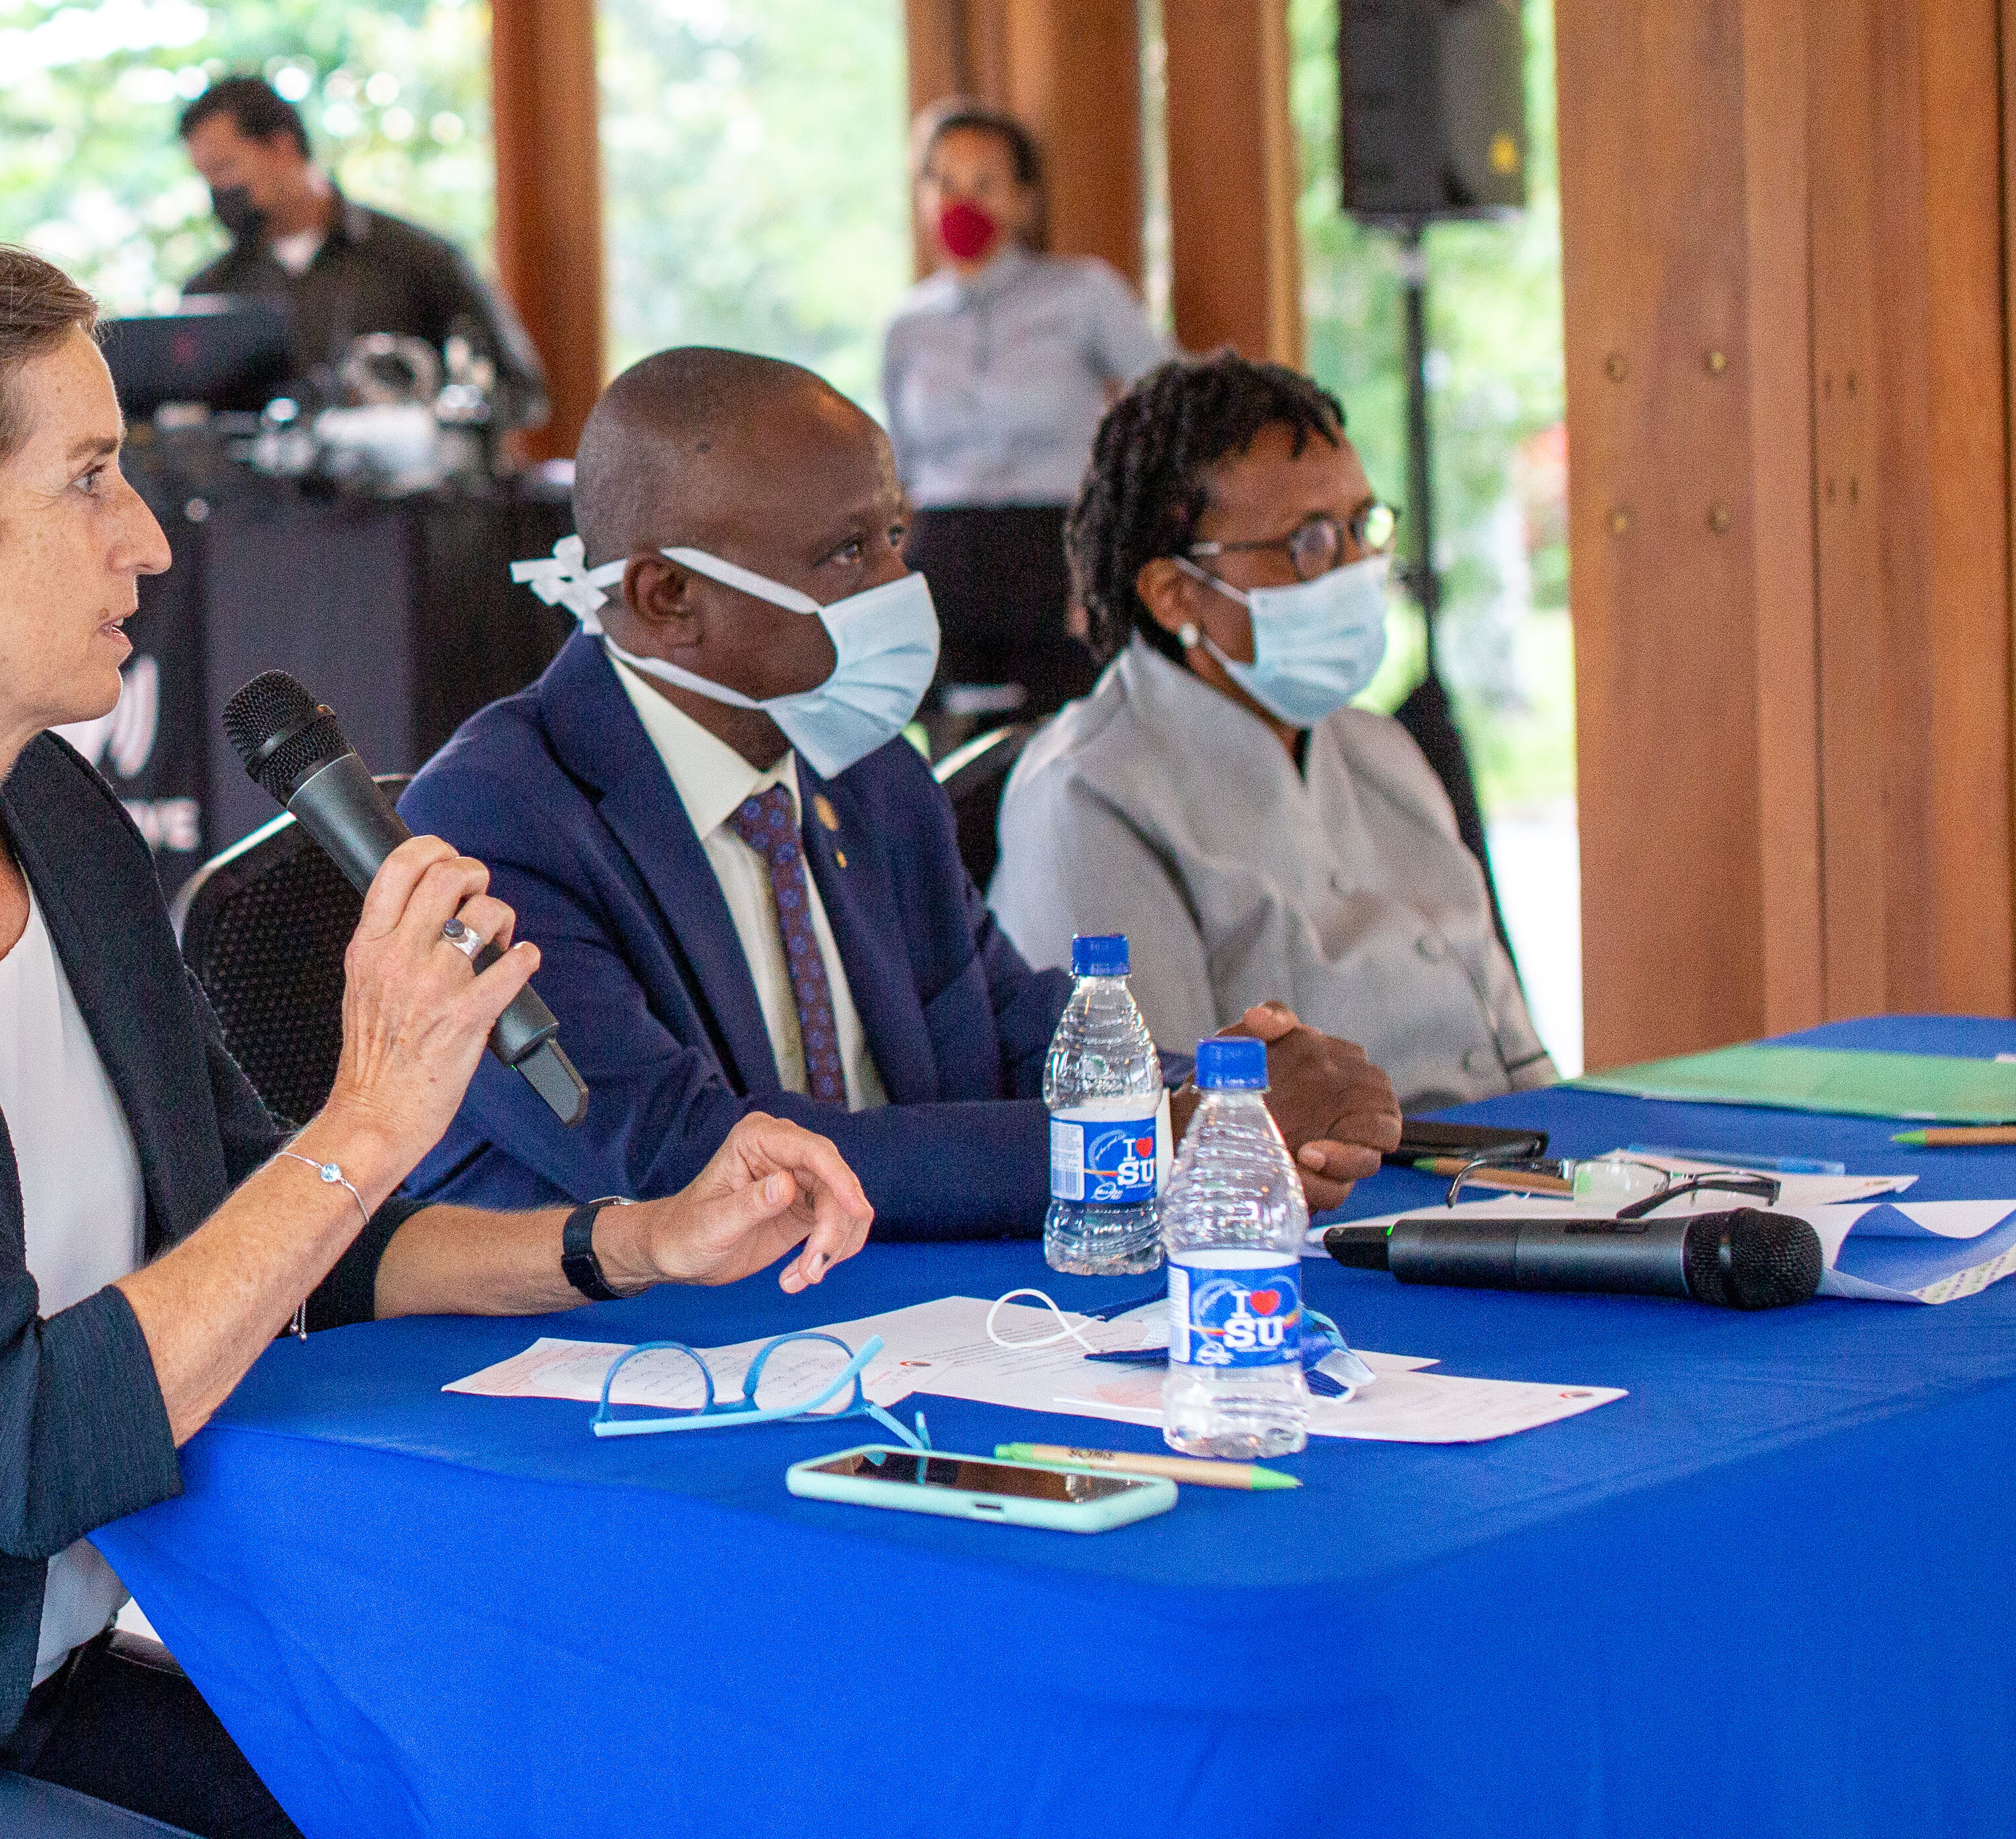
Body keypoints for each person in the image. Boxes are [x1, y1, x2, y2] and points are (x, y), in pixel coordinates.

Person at [0, 242, 874, 1839]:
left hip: (6, 1691)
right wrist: (368, 1113)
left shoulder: (55, 824)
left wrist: (632, 1240)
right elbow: (19, 1441)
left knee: (503, 1797)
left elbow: (257, 1238)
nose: (148, 540)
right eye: (87, 480)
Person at [394, 344, 1402, 1237]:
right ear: (669, 597)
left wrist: (1226, 1092)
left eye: (895, 538)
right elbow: (682, 1157)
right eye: (848, 553)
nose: (900, 587)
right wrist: (1143, 1140)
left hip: (915, 1330)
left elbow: (1015, 1028)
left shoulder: (870, 773)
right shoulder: (495, 822)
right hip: (605, 1375)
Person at [987, 351, 1557, 1110]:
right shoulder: (1087, 797)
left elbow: (1521, 1061)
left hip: (1501, 1168)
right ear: (1174, 595)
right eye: (1310, 544)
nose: (1355, 570)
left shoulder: (1376, 750)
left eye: (1364, 528)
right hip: (1306, 1207)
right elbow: (1158, 1121)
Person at [882, 101, 1172, 734]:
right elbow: (893, 473)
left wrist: (1116, 545)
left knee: (1067, 737)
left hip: (1054, 551)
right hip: (945, 556)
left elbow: (1170, 400)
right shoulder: (906, 327)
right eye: (943, 182)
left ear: (1024, 199)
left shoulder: (1083, 294)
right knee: (954, 756)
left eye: (984, 183)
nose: (962, 201)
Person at [177, 76, 547, 431]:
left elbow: (521, 390)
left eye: (225, 168)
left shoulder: (419, 259)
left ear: (280, 149)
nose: (217, 189)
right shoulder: (210, 292)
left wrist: (427, 425)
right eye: (205, 176)